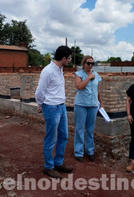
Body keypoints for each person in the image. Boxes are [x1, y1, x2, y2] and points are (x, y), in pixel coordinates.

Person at [35, 45, 73, 179]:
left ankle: (58, 163)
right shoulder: (48, 71)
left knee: (63, 136)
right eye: (69, 58)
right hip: (51, 107)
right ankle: (49, 167)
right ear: (63, 58)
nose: (69, 61)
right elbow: (39, 92)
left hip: (61, 107)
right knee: (51, 138)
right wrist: (41, 105)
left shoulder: (60, 69)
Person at [73, 55, 103, 162]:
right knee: (79, 129)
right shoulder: (79, 74)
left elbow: (97, 90)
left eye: (92, 64)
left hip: (93, 105)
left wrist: (101, 102)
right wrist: (88, 78)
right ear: (84, 63)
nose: (90, 65)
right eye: (88, 63)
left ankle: (90, 150)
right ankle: (78, 152)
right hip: (81, 104)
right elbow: (79, 87)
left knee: (90, 129)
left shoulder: (96, 75)